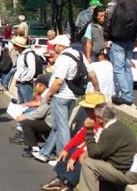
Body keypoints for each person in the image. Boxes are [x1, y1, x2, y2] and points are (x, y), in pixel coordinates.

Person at [34, 35, 98, 163]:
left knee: (62, 127)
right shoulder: (79, 55)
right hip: (73, 95)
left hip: (61, 95)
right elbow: (92, 74)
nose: (54, 47)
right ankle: (44, 153)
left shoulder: (63, 58)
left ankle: (63, 157)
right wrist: (98, 90)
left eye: (55, 45)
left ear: (61, 46)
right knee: (58, 126)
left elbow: (58, 81)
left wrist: (49, 94)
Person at [41, 92, 106, 191]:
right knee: (70, 151)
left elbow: (92, 146)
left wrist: (75, 155)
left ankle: (69, 184)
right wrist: (66, 149)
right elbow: (79, 137)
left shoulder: (102, 125)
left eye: (88, 109)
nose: (85, 111)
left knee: (81, 157)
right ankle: (60, 179)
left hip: (99, 153)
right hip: (90, 149)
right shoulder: (91, 121)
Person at [78, 104, 137, 191]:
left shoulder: (110, 132)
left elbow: (94, 153)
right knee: (93, 162)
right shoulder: (119, 126)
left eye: (95, 117)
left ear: (100, 119)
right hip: (128, 170)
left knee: (88, 163)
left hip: (128, 174)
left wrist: (89, 130)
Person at [103, 0, 137, 106]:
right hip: (131, 39)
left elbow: (107, 20)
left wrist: (106, 36)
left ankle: (126, 96)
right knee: (127, 67)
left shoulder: (113, 2)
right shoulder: (135, 4)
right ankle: (129, 94)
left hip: (117, 39)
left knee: (118, 68)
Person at [16, 74, 52, 155]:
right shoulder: (45, 95)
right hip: (47, 119)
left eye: (37, 85)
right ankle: (32, 145)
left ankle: (34, 148)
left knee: (26, 123)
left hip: (49, 123)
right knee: (30, 121)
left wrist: (23, 117)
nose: (36, 88)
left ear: (43, 86)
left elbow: (40, 113)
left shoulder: (47, 96)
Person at [12, 36, 38, 104]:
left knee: (28, 104)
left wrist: (23, 80)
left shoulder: (29, 55)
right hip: (20, 83)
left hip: (26, 83)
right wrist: (16, 79)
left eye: (14, 45)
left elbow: (32, 70)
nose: (13, 46)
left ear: (18, 46)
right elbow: (19, 69)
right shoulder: (21, 55)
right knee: (21, 103)